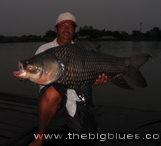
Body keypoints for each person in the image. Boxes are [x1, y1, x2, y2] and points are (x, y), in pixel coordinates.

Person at [14, 12, 107, 146]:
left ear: (74, 30)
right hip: (50, 95)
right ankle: (40, 137)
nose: (67, 29)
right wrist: (26, 76)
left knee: (86, 136)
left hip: (76, 94)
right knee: (53, 92)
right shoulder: (44, 49)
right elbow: (38, 73)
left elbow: (89, 78)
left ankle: (73, 118)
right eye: (62, 26)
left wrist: (96, 80)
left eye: (70, 26)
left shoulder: (82, 50)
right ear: (56, 29)